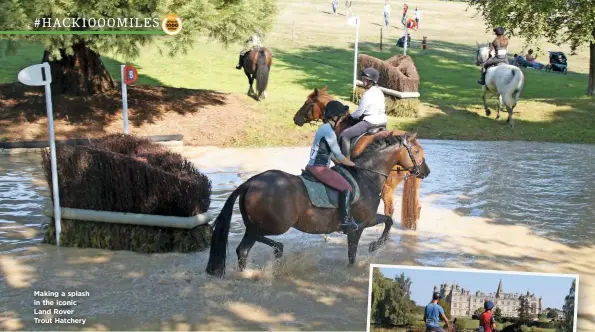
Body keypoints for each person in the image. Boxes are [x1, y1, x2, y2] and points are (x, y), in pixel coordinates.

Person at [307, 100, 359, 233]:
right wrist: (355, 165)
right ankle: (345, 221)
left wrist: (342, 163)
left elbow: (331, 155)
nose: (341, 120)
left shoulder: (324, 128)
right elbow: (339, 155)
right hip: (319, 168)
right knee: (346, 187)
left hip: (315, 165)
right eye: (341, 117)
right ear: (335, 117)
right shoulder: (329, 132)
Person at [339, 67, 387, 159]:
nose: (362, 81)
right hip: (383, 122)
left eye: (364, 79)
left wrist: (348, 117)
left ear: (370, 81)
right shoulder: (380, 92)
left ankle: (346, 163)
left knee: (345, 135)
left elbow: (359, 113)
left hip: (370, 122)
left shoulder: (368, 94)